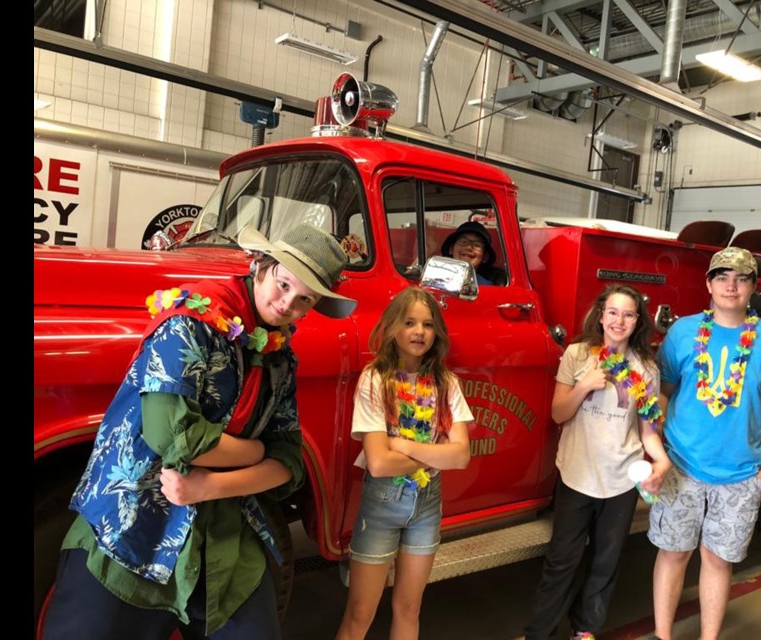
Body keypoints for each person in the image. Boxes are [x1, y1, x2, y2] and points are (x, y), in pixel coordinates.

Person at [42, 224, 357, 640]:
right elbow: (174, 438)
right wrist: (253, 452)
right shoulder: (189, 324)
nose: (287, 306)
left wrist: (208, 487)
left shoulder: (280, 357)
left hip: (226, 527)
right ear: (260, 265)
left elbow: (289, 461)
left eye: (304, 301)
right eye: (283, 285)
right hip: (133, 519)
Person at [648, 246, 761, 640]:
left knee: (717, 561)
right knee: (673, 554)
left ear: (754, 286)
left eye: (741, 278)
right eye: (722, 277)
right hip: (681, 466)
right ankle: (664, 636)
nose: (730, 286)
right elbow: (663, 392)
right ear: (708, 283)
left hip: (740, 474)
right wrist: (654, 450)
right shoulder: (683, 331)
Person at [524, 284, 672, 640]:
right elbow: (559, 414)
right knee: (562, 561)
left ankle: (586, 629)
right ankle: (539, 633)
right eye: (613, 312)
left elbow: (647, 430)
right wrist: (584, 385)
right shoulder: (577, 355)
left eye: (628, 314)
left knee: (606, 562)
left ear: (638, 322)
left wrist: (662, 462)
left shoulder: (646, 369)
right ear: (601, 315)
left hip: (621, 480)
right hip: (577, 475)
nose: (619, 320)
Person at [336, 287, 472, 640]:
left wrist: (399, 443)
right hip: (381, 506)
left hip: (427, 507)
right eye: (409, 322)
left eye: (428, 324)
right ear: (393, 327)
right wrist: (430, 453)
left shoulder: (447, 384)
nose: (419, 332)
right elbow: (379, 464)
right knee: (360, 613)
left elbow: (460, 455)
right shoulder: (375, 379)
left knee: (410, 608)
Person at [440, 220, 500, 286]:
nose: (468, 247)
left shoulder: (487, 288)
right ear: (451, 249)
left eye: (477, 244)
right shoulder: (436, 279)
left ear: (485, 257)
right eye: (463, 241)